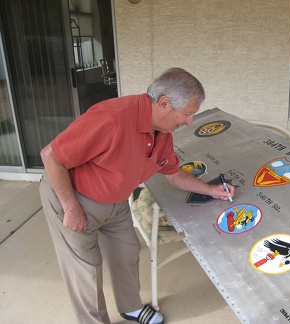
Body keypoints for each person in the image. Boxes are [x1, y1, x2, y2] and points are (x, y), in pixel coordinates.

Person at [39, 67, 235, 324]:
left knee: (128, 252)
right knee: (85, 270)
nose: (189, 122)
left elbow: (174, 174)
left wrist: (212, 190)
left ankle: (130, 307)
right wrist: (70, 207)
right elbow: (50, 156)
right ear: (164, 104)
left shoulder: (163, 133)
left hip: (115, 200)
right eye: (187, 114)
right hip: (75, 197)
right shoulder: (111, 118)